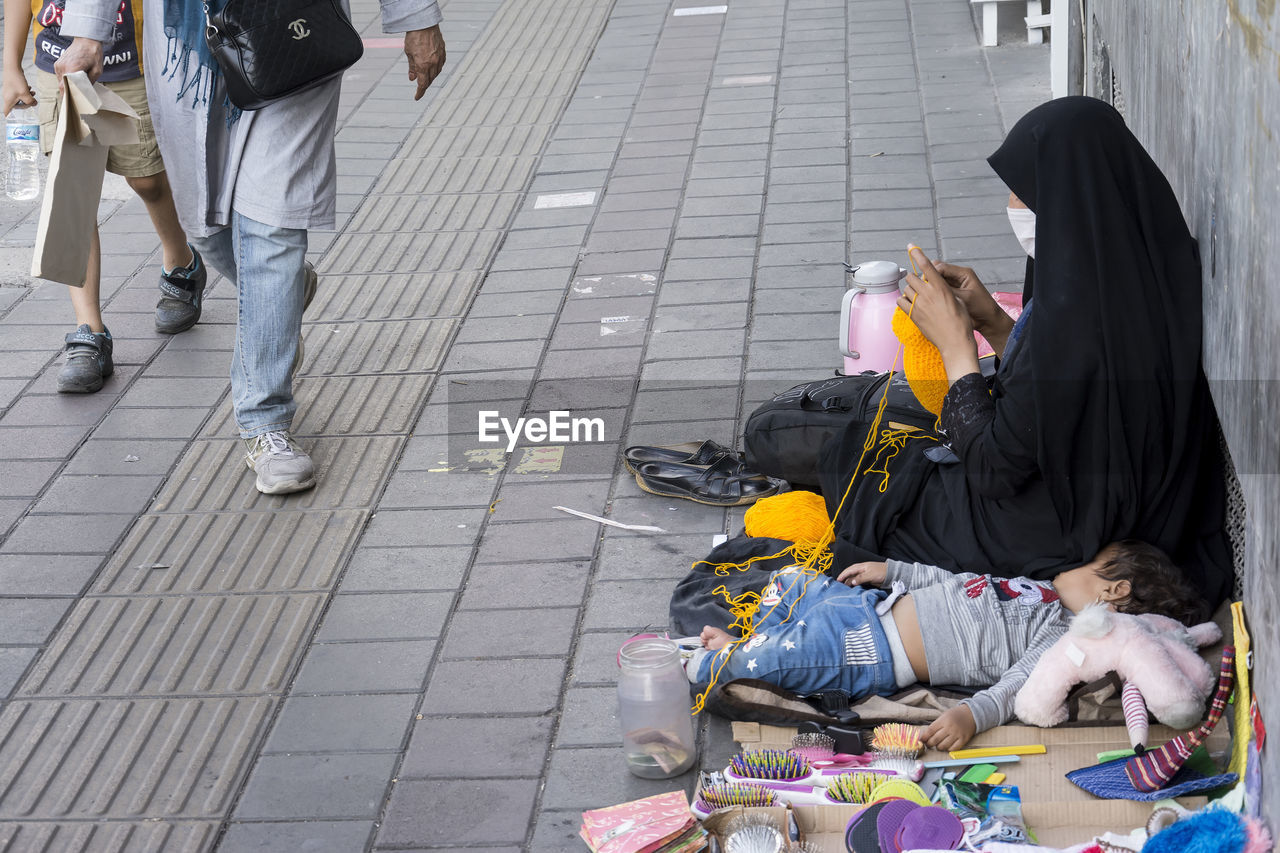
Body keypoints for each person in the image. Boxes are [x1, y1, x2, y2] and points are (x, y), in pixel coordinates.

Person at [813, 97, 1232, 606]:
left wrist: (956, 345)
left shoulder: (1080, 313)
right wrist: (991, 319)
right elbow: (1071, 396)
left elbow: (995, 469)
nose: (1015, 203)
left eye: (1026, 189)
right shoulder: (1142, 258)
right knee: (874, 450)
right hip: (1109, 495)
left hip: (1062, 523)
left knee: (866, 478)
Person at [55, 0, 446, 493]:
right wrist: (89, 32)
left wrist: (417, 19)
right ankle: (281, 293)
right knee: (205, 227)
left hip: (293, 25)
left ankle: (265, 424)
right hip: (185, 44)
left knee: (272, 225)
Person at [688, 540, 1206, 750]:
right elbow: (961, 581)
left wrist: (972, 717)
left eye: (1090, 563)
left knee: (773, 660)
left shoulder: (1061, 634)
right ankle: (756, 636)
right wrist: (896, 570)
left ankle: (715, 661)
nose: (1072, 564)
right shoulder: (1039, 591)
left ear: (1114, 590)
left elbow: (1017, 683)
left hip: (868, 650)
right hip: (870, 607)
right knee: (791, 579)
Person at [2, 0, 203, 394]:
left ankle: (182, 262)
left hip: (135, 66)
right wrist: (10, 65)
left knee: (147, 181)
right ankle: (89, 331)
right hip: (57, 69)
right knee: (73, 194)